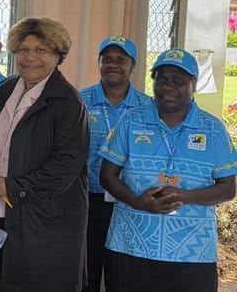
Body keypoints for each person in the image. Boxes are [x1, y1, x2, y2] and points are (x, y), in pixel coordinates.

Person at [100, 48, 237, 292]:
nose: (168, 86)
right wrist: (138, 202)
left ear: (193, 83)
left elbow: (228, 189)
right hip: (130, 245)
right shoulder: (130, 121)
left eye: (178, 80)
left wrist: (185, 196)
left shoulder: (213, 129)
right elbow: (107, 176)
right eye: (161, 78)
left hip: (192, 253)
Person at [0, 17, 89, 292]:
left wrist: (14, 187)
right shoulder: (7, 89)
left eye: (40, 50)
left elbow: (67, 165)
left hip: (44, 226)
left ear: (58, 55)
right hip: (0, 217)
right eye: (23, 50)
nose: (30, 57)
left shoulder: (67, 102)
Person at [78, 35, 151, 292]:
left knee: (123, 269)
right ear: (99, 63)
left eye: (121, 59)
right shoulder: (79, 100)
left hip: (130, 200)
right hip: (88, 198)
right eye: (106, 59)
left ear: (133, 65)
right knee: (87, 268)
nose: (113, 64)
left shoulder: (148, 107)